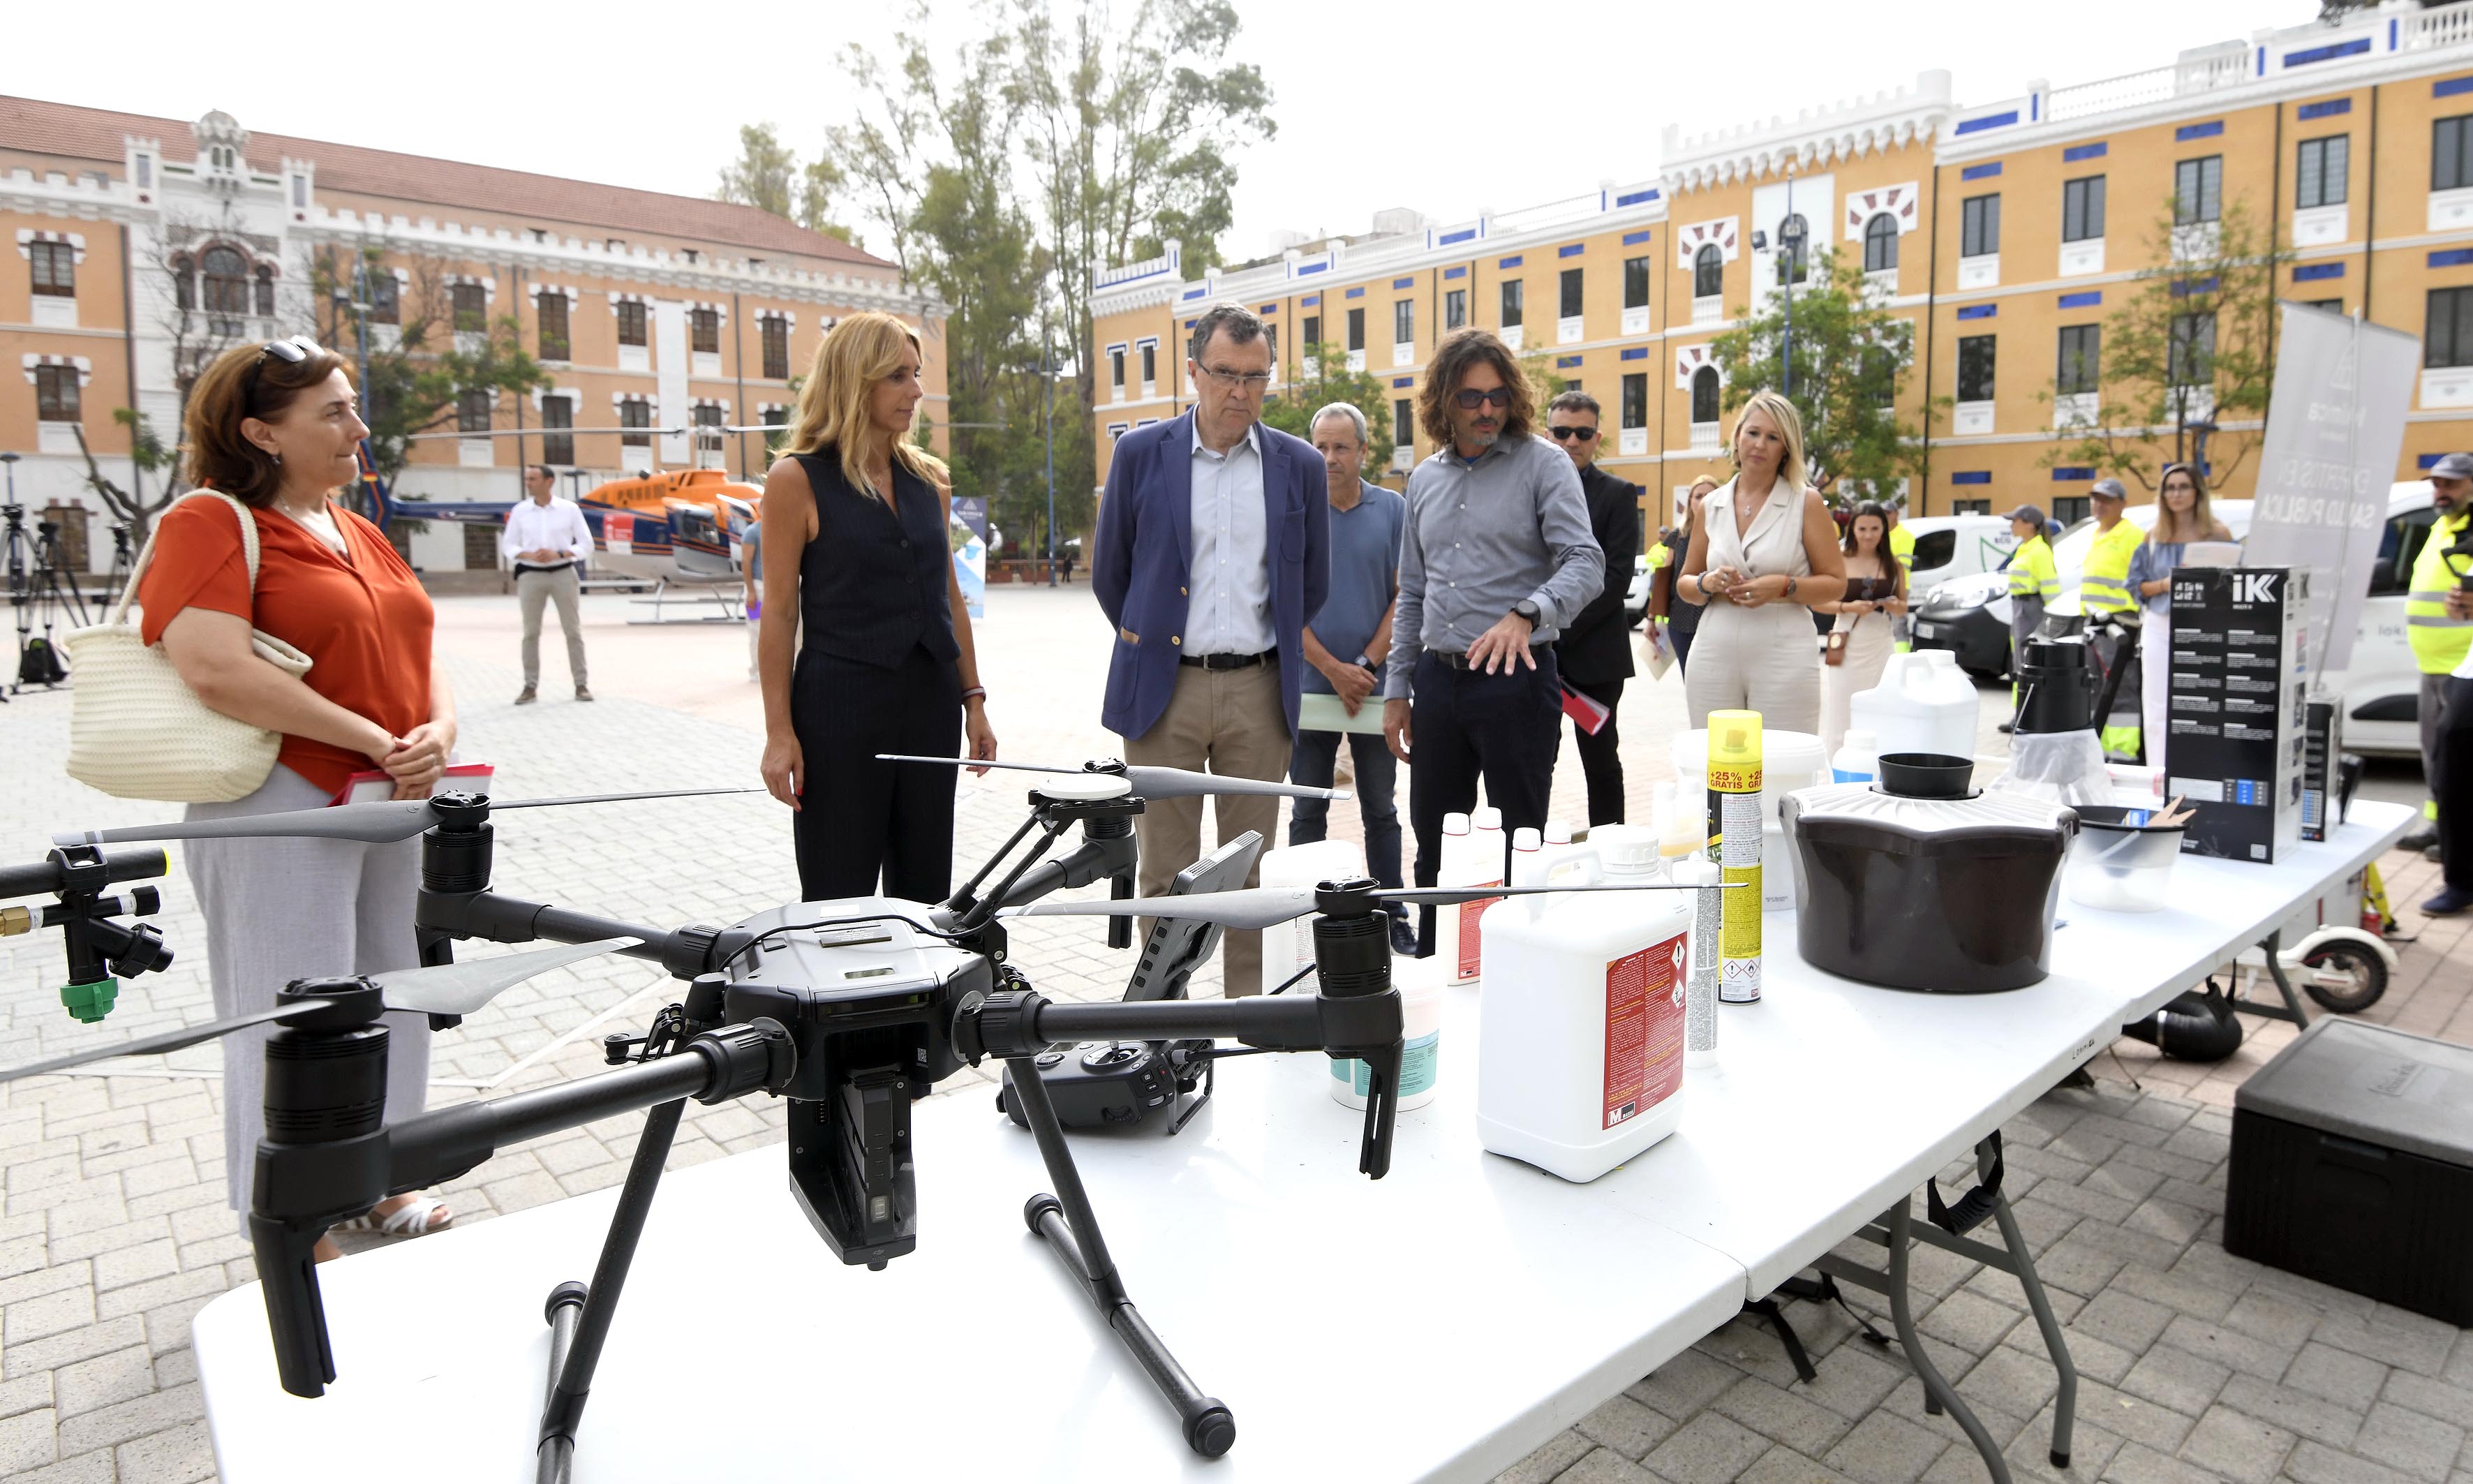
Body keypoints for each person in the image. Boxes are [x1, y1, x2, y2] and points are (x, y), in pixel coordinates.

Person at [141, 337, 456, 1254]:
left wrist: (436, 735)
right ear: (260, 431)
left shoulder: (356, 528)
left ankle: (382, 1179)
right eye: (333, 412)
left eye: (352, 406)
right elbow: (214, 668)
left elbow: (418, 655)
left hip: (384, 798)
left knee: (391, 996)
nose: (359, 427)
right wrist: (370, 737)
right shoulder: (210, 522)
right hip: (277, 798)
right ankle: (289, 1213)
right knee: (287, 1013)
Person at [1095, 303, 1329, 996]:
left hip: (1260, 691)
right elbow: (1114, 575)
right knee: (1165, 871)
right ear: (1194, 372)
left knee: (1248, 875)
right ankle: (1167, 1023)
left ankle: (1245, 1023)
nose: (1240, 392)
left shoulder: (1301, 465)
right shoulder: (1141, 454)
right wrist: (1156, 642)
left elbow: (1309, 583)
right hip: (1166, 691)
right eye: (1226, 374)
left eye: (1256, 378)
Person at [757, 311, 997, 903]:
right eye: (897, 376)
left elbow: (951, 601)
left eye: (915, 374)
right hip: (838, 711)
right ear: (853, 380)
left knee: (924, 894)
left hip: (929, 707)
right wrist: (778, 733)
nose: (916, 391)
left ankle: (914, 998)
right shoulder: (795, 480)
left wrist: (974, 702)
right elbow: (780, 614)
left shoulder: (932, 484)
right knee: (838, 895)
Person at [1383, 327, 1602, 947]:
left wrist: (1526, 613)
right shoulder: (1423, 479)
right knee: (1433, 841)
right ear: (1442, 402)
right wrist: (1397, 689)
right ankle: (1433, 960)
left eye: (1498, 397)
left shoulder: (1545, 463)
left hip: (1517, 681)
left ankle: (1517, 969)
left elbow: (1585, 561)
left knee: (1518, 843)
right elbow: (1414, 593)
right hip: (1437, 682)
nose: (1485, 410)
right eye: (1470, 397)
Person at [1288, 402, 1416, 956]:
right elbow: (1283, 605)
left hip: (1372, 691)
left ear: (1364, 451)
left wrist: (1362, 667)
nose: (1329, 457)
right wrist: (1330, 668)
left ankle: (1391, 912)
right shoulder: (1294, 511)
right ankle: (1303, 914)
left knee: (1380, 809)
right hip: (1310, 689)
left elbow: (1404, 596)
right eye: (1320, 446)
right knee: (1306, 808)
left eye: (1341, 447)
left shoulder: (1392, 510)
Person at [1675, 392, 1847, 734]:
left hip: (1783, 645)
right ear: (1737, 436)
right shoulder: (1711, 504)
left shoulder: (1806, 501)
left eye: (1773, 437)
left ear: (1786, 447)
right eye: (1753, 433)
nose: (1759, 445)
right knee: (1716, 762)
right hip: (1714, 643)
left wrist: (1785, 585)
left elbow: (1836, 582)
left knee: (1782, 758)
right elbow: (1685, 584)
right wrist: (1706, 583)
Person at [1544, 389, 1640, 825]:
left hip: (1595, 659)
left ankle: (1612, 853)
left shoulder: (1618, 494)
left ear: (1597, 437)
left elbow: (1615, 577)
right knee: (1533, 762)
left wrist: (1554, 628)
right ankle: (1528, 854)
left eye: (1582, 433)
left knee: (1601, 764)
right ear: (1548, 434)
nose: (1571, 441)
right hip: (1535, 655)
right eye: (1562, 432)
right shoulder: (1532, 487)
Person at [2125, 463, 2235, 771]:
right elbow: (2135, 586)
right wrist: (2168, 583)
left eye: (2183, 486)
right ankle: (2160, 774)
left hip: (2205, 626)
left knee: (2204, 703)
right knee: (2158, 705)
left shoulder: (2218, 533)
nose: (2176, 494)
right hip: (2160, 625)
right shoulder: (2153, 537)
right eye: (2170, 488)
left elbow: (2234, 582)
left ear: (2197, 491)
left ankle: (2203, 770)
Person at [2398, 452, 2473, 856]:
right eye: (2438, 483)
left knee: (2459, 759)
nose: (2441, 491)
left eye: (2452, 484)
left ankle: (2458, 837)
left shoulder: (2470, 529)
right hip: (2432, 665)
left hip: (2465, 667)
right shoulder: (2441, 527)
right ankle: (2439, 824)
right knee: (2434, 755)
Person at [1818, 501, 1906, 755]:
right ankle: (1837, 771)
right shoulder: (1838, 560)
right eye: (1863, 528)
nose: (1868, 535)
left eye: (1875, 529)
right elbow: (1819, 603)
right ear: (1853, 529)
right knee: (1842, 711)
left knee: (1880, 708)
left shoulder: (1893, 564)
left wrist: (1893, 604)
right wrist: (1849, 607)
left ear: (1884, 530)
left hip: (1880, 641)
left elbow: (1903, 606)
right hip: (1847, 640)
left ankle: (1875, 768)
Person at [502, 463, 594, 704]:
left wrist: (561, 553)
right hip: (531, 576)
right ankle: (530, 687)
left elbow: (586, 544)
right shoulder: (520, 511)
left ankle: (581, 685)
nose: (528, 483)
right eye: (527, 478)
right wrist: (528, 555)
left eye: (533, 478)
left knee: (573, 631)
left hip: (564, 573)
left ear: (548, 481)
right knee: (531, 633)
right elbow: (508, 546)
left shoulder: (569, 509)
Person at [2079, 478, 2146, 760]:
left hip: (2121, 623)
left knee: (2121, 686)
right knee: (2094, 687)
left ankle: (2123, 750)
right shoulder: (2098, 533)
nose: (2099, 504)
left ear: (2123, 504)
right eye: (2095, 498)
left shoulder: (2132, 536)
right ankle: (2099, 745)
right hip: (2095, 623)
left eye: (2106, 499)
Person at [1998, 503, 2060, 733]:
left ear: (2029, 524)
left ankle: (2027, 715)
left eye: (2014, 521)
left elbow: (2050, 587)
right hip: (2021, 607)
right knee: (2019, 664)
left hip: (2031, 608)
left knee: (2027, 661)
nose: (2011, 525)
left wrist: (2052, 621)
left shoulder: (2039, 551)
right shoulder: (2025, 548)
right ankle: (2020, 714)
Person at [1650, 475, 1718, 674]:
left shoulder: (1728, 533)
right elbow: (1663, 580)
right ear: (1690, 501)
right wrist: (1652, 620)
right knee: (1691, 681)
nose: (1704, 500)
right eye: (1699, 496)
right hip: (1681, 621)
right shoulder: (1678, 536)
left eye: (1710, 495)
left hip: (1717, 620)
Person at [1884, 497, 1918, 651]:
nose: (1885, 516)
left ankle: (1902, 658)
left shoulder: (1905, 535)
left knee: (1899, 626)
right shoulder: (1882, 534)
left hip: (1899, 587)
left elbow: (1903, 564)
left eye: (1888, 513)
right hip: (1882, 585)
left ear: (1896, 514)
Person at [741, 511, 764, 681]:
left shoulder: (781, 528)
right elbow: (746, 561)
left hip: (775, 588)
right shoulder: (752, 532)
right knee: (756, 630)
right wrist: (751, 591)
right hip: (757, 588)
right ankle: (756, 669)